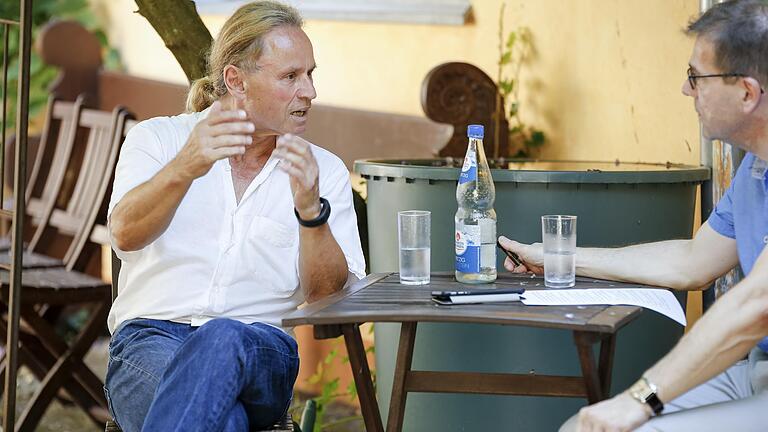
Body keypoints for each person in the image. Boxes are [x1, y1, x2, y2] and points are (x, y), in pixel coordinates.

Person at [499, 1, 768, 431]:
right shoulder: (756, 166)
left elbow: (758, 304)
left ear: (747, 93)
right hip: (755, 372)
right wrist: (558, 259)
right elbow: (694, 260)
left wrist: (639, 399)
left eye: (696, 76)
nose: (686, 89)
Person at [103, 2, 365, 431]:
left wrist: (310, 213)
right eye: (290, 76)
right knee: (226, 421)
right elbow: (125, 235)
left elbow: (325, 299)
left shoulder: (323, 171)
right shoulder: (159, 140)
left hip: (260, 349)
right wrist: (185, 166)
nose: (310, 92)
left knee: (222, 336)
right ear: (235, 80)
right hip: (150, 342)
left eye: (310, 74)